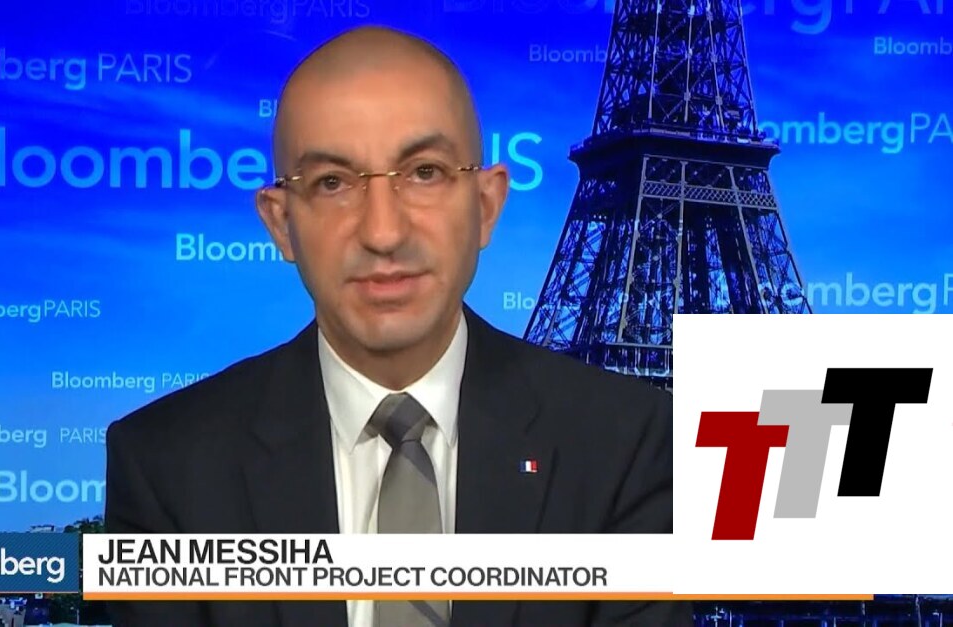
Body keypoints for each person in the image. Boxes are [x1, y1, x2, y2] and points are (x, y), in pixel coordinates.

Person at [105, 25, 691, 627]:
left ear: (486, 205)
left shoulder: (629, 443)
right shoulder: (163, 466)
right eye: (332, 183)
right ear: (281, 224)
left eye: (425, 172)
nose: (383, 233)